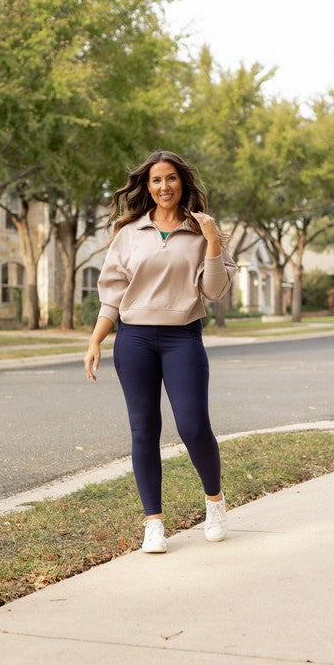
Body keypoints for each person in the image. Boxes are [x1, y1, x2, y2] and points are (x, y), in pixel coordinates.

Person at [84, 150, 237, 553]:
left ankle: (215, 502)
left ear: (182, 182)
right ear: (147, 186)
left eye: (171, 178)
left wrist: (214, 243)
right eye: (156, 180)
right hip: (133, 339)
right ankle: (153, 522)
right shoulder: (130, 233)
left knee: (192, 425)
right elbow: (113, 293)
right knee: (143, 430)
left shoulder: (202, 230)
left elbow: (216, 291)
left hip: (182, 337)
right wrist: (96, 339)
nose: (163, 186)